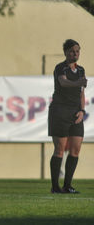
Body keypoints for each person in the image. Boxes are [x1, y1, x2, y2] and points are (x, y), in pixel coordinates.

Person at [48, 39, 87, 194]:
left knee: (75, 150)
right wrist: (78, 82)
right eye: (72, 51)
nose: (75, 53)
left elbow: (82, 93)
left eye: (77, 51)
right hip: (59, 112)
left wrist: (82, 111)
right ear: (65, 52)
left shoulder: (81, 70)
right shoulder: (60, 68)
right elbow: (64, 83)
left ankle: (68, 185)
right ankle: (55, 186)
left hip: (75, 113)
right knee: (59, 149)